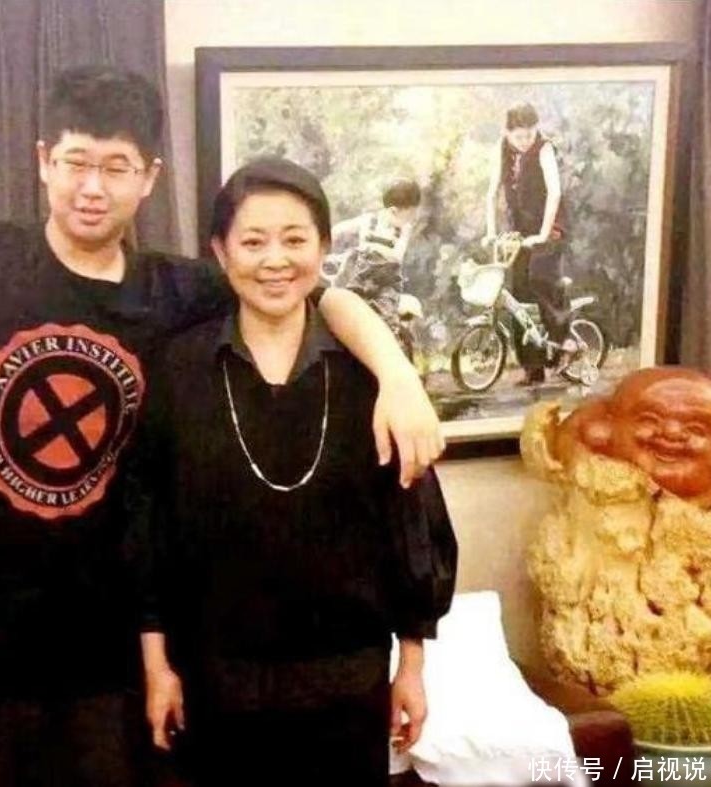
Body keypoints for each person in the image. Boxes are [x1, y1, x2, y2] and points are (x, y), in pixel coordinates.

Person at [0, 66, 445, 787]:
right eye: (75, 161)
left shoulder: (180, 291)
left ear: (149, 177)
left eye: (117, 167)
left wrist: (397, 376)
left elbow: (308, 291)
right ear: (43, 161)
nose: (92, 187)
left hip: (102, 667)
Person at [137, 157, 457, 787]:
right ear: (220, 252)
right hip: (215, 679)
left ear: (324, 246)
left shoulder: (370, 376)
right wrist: (156, 666)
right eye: (253, 242)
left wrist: (412, 667)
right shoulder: (179, 368)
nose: (275, 261)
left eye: (294, 239)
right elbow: (148, 526)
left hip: (345, 681)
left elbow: (410, 523)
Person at [483, 102, 572, 385]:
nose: (524, 141)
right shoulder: (502, 149)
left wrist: (543, 235)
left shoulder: (544, 149)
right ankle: (532, 368)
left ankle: (563, 344)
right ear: (507, 133)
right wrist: (490, 231)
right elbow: (491, 193)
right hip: (519, 229)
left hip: (548, 226)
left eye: (529, 135)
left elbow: (554, 193)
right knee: (518, 294)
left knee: (541, 278)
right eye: (518, 136)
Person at [330, 178, 421, 341]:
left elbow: (396, 256)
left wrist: (374, 250)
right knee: (342, 314)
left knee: (386, 325)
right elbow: (337, 231)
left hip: (385, 285)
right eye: (410, 214)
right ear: (393, 211)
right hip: (359, 281)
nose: (412, 219)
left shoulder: (403, 231)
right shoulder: (368, 222)